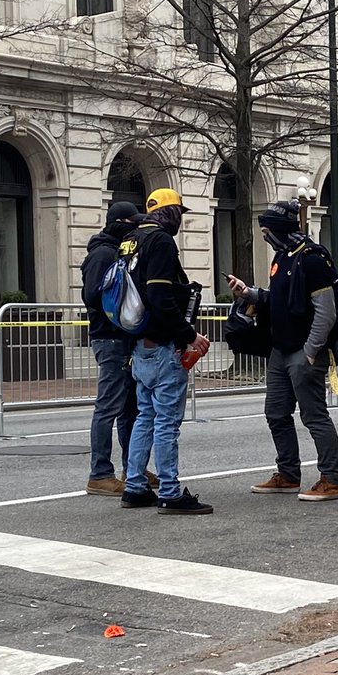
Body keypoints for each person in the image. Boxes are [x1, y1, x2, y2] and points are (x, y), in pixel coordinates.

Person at [226, 198, 338, 501]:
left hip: (303, 351)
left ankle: (331, 479)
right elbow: (276, 299)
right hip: (280, 350)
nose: (265, 236)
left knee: (314, 415)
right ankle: (288, 474)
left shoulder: (313, 259)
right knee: (276, 412)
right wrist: (249, 292)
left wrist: (310, 351)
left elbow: (326, 311)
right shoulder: (282, 257)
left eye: (267, 230)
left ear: (280, 229)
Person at [120, 188, 213, 515]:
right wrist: (188, 336)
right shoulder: (160, 242)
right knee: (166, 423)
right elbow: (160, 296)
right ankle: (170, 492)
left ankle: (134, 486)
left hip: (140, 344)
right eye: (179, 213)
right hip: (162, 346)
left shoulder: (130, 240)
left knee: (145, 416)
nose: (181, 220)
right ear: (169, 212)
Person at [79, 200, 157, 496]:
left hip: (121, 337)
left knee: (129, 407)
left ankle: (132, 468)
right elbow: (94, 296)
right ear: (119, 224)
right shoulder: (102, 254)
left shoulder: (116, 251)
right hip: (110, 337)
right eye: (131, 223)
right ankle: (100, 473)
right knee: (109, 406)